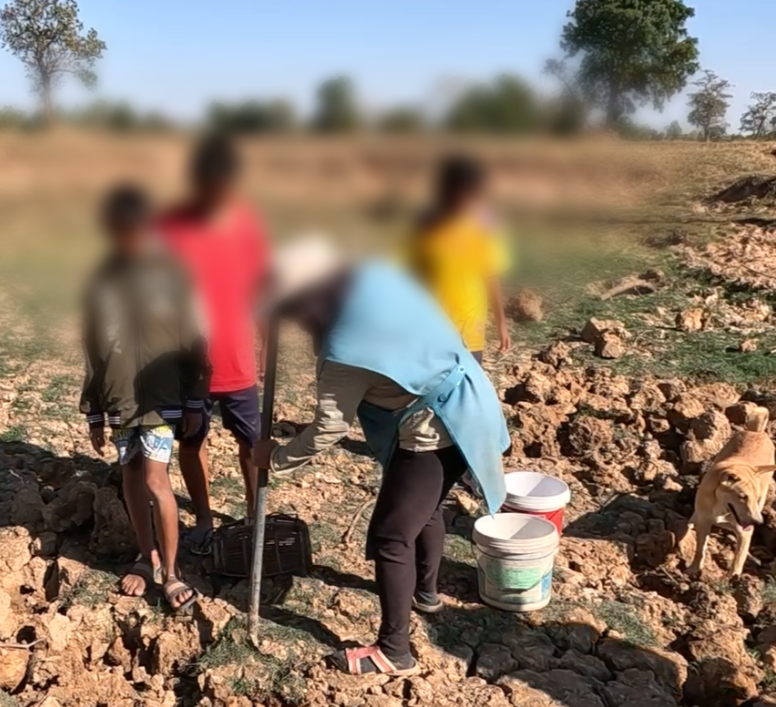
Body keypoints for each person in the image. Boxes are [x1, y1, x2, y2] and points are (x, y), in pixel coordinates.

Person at [252, 237, 510, 677]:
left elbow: (329, 429)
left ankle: (394, 652)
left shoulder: (343, 349)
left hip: (435, 429)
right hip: (469, 404)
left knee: (392, 537)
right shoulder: (379, 279)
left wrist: (274, 457)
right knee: (424, 508)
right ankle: (425, 593)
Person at [80, 184, 210, 613]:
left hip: (161, 400)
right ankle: (145, 555)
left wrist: (195, 401)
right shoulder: (101, 281)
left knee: (156, 481)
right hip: (119, 401)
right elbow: (92, 349)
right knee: (131, 478)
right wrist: (94, 410)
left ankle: (171, 572)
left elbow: (195, 343)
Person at [160, 134, 268, 555]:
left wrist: (265, 341)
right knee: (192, 441)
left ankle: (254, 516)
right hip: (186, 364)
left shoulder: (246, 223)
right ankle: (204, 517)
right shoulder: (170, 227)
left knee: (252, 444)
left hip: (238, 360)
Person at [403, 153, 511, 365]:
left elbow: (490, 275)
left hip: (470, 327)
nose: (464, 199)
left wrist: (501, 323)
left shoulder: (483, 225)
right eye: (458, 192)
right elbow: (414, 273)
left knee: (467, 382)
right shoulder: (426, 223)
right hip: (432, 325)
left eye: (470, 193)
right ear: (446, 190)